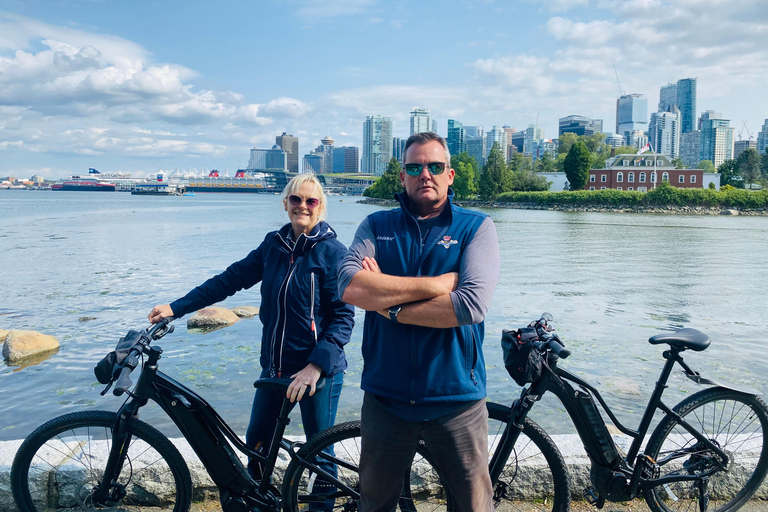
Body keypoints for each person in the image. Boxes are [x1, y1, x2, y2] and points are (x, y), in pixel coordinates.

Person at [148, 173, 354, 480]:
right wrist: (176, 308)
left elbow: (343, 318)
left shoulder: (333, 253)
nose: (302, 206)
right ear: (285, 204)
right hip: (274, 369)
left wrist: (315, 366)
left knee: (319, 456)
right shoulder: (274, 245)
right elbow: (229, 281)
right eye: (295, 199)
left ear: (320, 206)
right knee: (256, 445)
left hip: (317, 374)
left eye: (310, 200)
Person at [338, 132, 501, 511]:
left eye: (434, 166)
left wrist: (388, 305)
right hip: (385, 398)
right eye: (414, 166)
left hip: (456, 399)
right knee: (374, 505)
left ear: (450, 175)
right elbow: (347, 286)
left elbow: (470, 305)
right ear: (402, 176)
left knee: (473, 506)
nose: (424, 173)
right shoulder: (376, 225)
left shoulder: (476, 227)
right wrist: (435, 285)